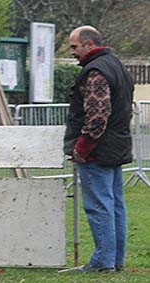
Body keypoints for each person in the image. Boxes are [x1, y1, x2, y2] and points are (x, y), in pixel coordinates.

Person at [64, 26, 134, 272]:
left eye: (75, 46)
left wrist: (82, 148)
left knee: (99, 205)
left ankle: (103, 261)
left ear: (89, 45)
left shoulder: (95, 71)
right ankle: (115, 260)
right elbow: (128, 108)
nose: (72, 51)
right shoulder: (118, 66)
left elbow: (97, 116)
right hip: (117, 145)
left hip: (97, 151)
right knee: (115, 205)